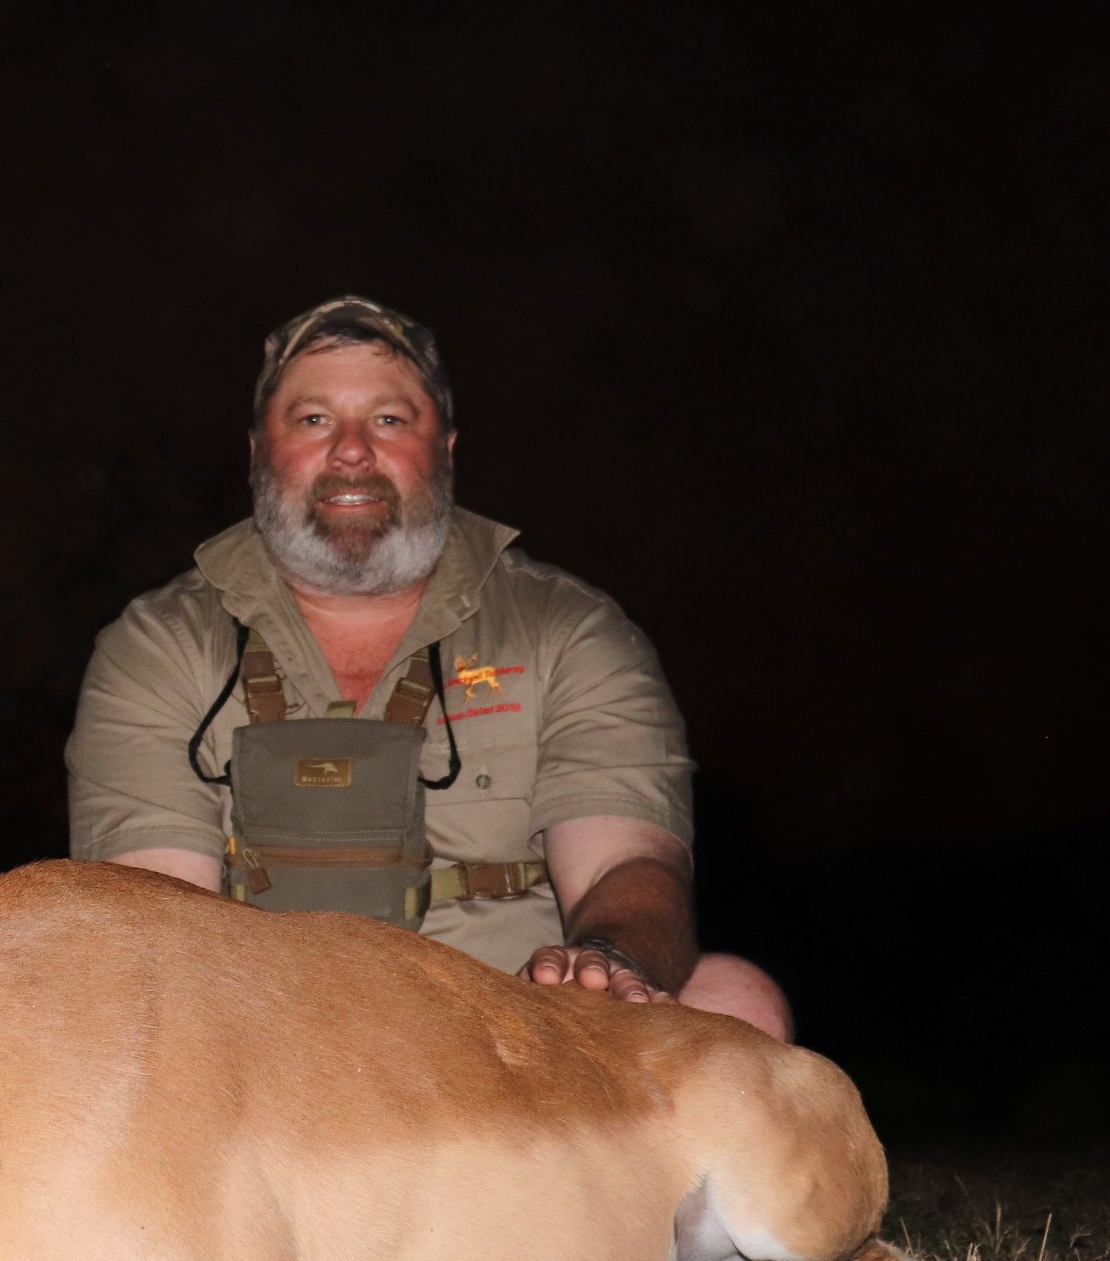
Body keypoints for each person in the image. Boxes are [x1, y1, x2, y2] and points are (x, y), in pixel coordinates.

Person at [65, 296, 793, 1040]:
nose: (351, 451)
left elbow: (628, 871)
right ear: (258, 452)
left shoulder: (569, 629)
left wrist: (607, 961)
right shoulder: (155, 644)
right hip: (259, 1048)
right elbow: (155, 918)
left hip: (516, 1037)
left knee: (736, 1002)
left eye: (389, 419)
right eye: (313, 419)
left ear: (445, 449)